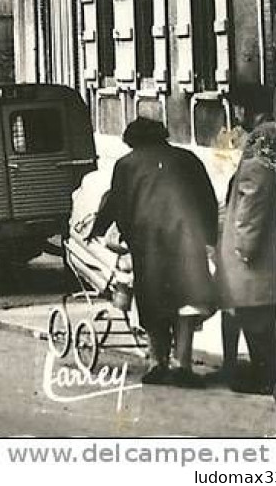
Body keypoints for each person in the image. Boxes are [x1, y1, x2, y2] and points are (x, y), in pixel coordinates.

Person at [91, 116, 220, 387]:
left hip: (149, 244)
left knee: (153, 302)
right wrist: (209, 238)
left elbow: (117, 202)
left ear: (132, 140)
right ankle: (183, 365)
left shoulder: (126, 165)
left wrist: (101, 230)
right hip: (188, 240)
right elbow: (207, 199)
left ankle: (157, 363)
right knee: (187, 303)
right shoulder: (188, 159)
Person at [217, 120, 276, 395]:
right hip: (270, 259)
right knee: (262, 323)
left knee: (256, 323)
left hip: (254, 264)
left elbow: (249, 216)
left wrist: (244, 249)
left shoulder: (257, 169)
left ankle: (264, 379)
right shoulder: (274, 167)